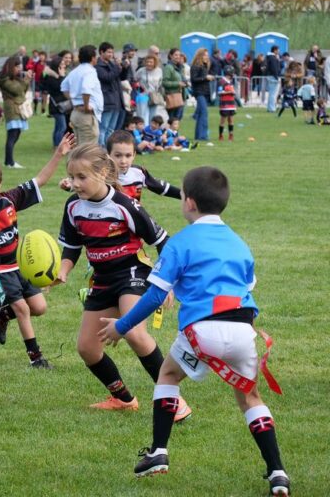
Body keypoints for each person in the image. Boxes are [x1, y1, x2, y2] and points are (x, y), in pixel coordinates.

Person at [98, 166, 290, 497]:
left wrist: (121, 326)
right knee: (249, 397)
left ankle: (159, 451)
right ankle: (278, 473)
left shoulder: (181, 242)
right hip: (243, 331)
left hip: (202, 330)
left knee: (168, 375)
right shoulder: (239, 243)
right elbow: (247, 287)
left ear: (188, 202)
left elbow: (154, 295)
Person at [55, 143, 190, 421]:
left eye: (82, 177)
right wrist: (63, 271)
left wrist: (166, 283)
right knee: (87, 348)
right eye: (72, 177)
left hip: (133, 273)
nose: (75, 184)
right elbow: (72, 247)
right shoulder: (73, 207)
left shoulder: (124, 205)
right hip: (102, 280)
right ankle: (123, 399)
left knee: (133, 332)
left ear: (103, 172)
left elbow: (162, 241)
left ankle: (173, 400)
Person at [0, 133, 77, 367]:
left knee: (39, 307)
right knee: (22, 308)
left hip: (19, 265)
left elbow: (40, 180)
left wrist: (59, 154)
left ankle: (1, 314)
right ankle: (36, 358)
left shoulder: (9, 200)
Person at [60, 130, 181, 202]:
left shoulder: (139, 173)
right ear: (108, 155)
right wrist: (70, 185)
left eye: (128, 156)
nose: (123, 161)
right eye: (118, 155)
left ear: (134, 155)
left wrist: (184, 195)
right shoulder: (102, 174)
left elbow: (160, 187)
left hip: (133, 222)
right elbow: (86, 184)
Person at [61, 45, 103, 146]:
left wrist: (74, 101)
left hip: (76, 113)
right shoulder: (90, 71)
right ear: (92, 58)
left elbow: (64, 87)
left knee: (78, 147)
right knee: (88, 148)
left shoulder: (75, 71)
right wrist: (86, 105)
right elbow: (86, 89)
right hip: (86, 115)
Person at [0, 55, 32, 169]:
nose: (19, 69)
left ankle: (8, 161)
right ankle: (10, 162)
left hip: (18, 108)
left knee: (16, 134)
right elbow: (17, 90)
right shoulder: (4, 79)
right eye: (17, 67)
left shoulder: (14, 78)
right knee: (12, 135)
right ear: (11, 66)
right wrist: (26, 80)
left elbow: (22, 91)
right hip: (12, 109)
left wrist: (26, 80)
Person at [95, 42, 128, 146]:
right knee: (103, 127)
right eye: (109, 52)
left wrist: (124, 68)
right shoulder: (98, 66)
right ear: (101, 52)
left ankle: (108, 148)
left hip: (117, 100)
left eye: (112, 52)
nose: (111, 55)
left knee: (111, 129)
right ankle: (101, 149)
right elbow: (107, 77)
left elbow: (122, 77)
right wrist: (117, 67)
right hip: (107, 100)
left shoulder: (112, 65)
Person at [43, 52, 74, 147]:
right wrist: (61, 76)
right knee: (62, 127)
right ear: (57, 66)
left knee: (58, 127)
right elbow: (60, 87)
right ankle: (58, 146)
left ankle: (56, 145)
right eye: (62, 64)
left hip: (61, 105)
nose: (64, 66)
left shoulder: (57, 76)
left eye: (64, 64)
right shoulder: (52, 77)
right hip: (57, 106)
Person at [190, 48, 214, 142]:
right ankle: (203, 136)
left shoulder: (204, 66)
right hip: (199, 92)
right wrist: (205, 78)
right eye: (205, 55)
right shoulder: (195, 66)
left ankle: (198, 135)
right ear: (200, 56)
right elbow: (194, 79)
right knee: (204, 113)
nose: (207, 57)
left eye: (207, 55)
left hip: (205, 92)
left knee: (200, 114)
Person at [134, 54, 163, 126]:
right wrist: (139, 88)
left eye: (151, 62)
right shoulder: (141, 70)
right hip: (143, 95)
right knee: (142, 115)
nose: (149, 64)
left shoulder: (159, 71)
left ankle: (150, 130)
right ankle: (142, 129)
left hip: (154, 95)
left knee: (153, 116)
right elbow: (134, 80)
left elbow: (160, 82)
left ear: (155, 63)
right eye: (147, 62)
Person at [163, 48, 188, 121]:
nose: (178, 57)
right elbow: (164, 82)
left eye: (179, 55)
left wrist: (185, 83)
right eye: (175, 55)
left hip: (180, 96)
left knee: (178, 120)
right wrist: (177, 84)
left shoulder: (179, 67)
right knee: (172, 120)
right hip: (172, 97)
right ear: (170, 56)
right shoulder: (168, 67)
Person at [265, 46, 281, 113]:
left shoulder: (269, 57)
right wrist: (276, 77)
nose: (279, 51)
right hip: (273, 76)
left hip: (270, 76)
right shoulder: (273, 58)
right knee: (273, 94)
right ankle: (272, 108)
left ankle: (269, 107)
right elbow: (274, 68)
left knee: (271, 93)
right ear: (275, 50)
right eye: (278, 50)